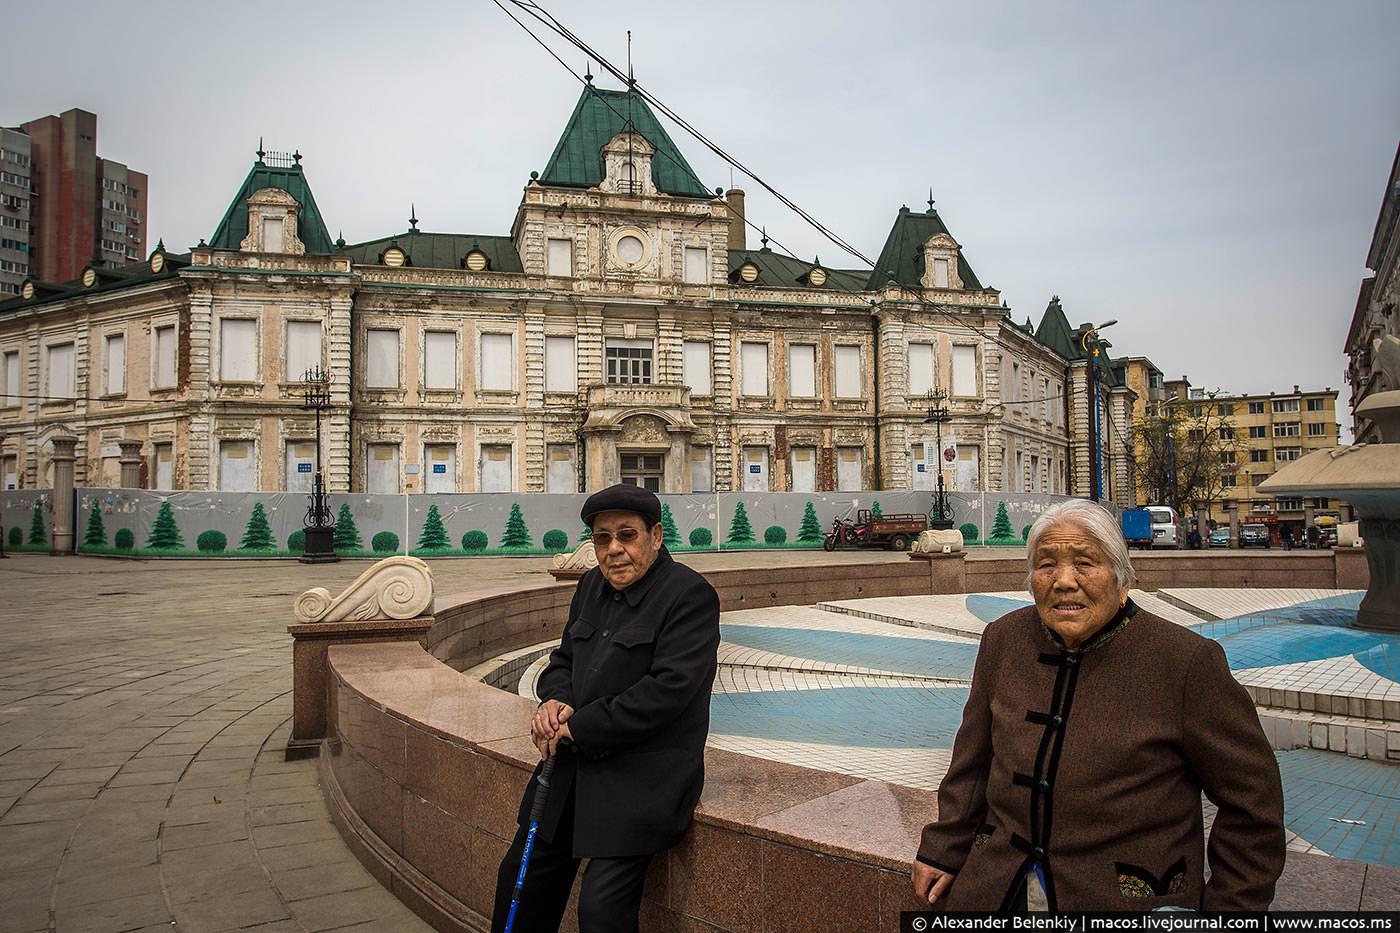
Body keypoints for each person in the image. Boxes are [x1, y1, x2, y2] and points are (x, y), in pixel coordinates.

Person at [912, 498, 1285, 912]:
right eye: (1046, 564)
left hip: (1125, 899)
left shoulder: (1184, 661)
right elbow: (973, 764)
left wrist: (1231, 909)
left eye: (1086, 563)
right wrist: (944, 846)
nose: (1064, 581)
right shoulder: (1005, 639)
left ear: (1122, 579)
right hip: (1000, 884)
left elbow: (1253, 804)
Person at [492, 484, 720, 933]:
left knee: (600, 911)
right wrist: (555, 700)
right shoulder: (590, 586)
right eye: (602, 538)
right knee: (521, 883)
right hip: (569, 770)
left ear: (655, 536)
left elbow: (667, 692)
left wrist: (578, 727)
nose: (614, 550)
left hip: (642, 777)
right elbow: (563, 661)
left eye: (627, 536)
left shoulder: (689, 595)